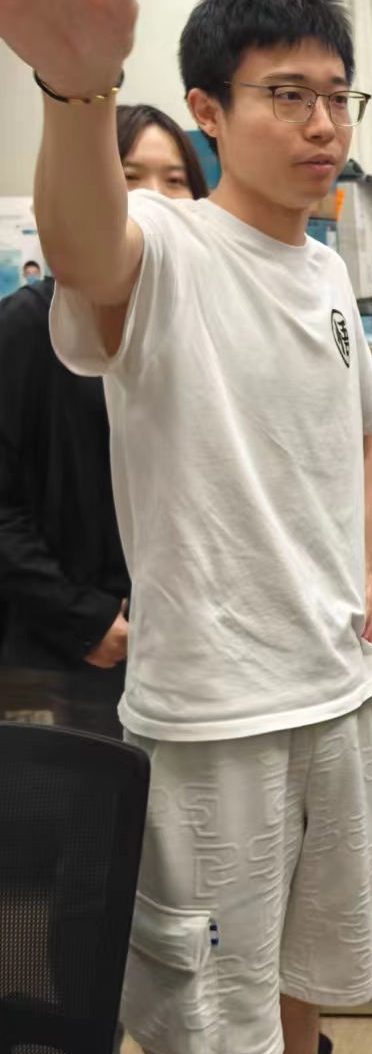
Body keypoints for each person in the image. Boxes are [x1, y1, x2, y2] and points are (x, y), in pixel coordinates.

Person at [0, 0, 372, 1054]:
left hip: (331, 690)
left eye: (335, 94)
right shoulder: (168, 246)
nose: (320, 122)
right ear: (207, 110)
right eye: (284, 94)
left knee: (300, 988)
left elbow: (357, 435)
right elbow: (83, 242)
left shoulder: (325, 268)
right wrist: (72, 86)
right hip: (213, 720)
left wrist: (360, 582)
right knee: (203, 1034)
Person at [0, 104, 206, 678]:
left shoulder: (202, 321)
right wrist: (83, 620)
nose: (154, 199)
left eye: (175, 181)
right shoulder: (27, 325)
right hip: (72, 654)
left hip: (193, 643)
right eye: (128, 177)